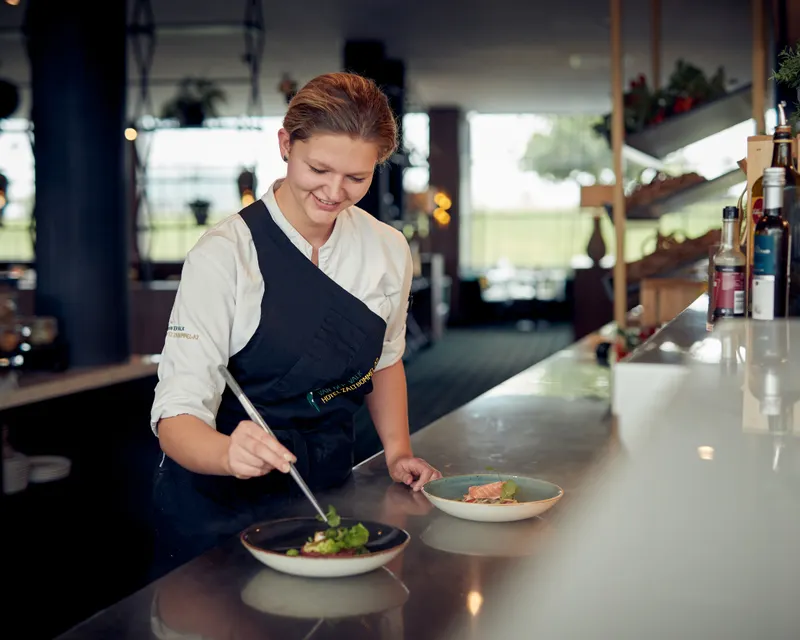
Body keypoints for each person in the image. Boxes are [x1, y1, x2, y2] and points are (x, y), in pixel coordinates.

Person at [149, 72, 442, 573]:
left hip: (327, 481)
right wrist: (227, 454)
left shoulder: (387, 249)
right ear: (286, 144)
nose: (334, 192)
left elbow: (386, 361)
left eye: (357, 178)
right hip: (220, 498)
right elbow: (175, 418)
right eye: (319, 169)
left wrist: (398, 452)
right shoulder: (225, 256)